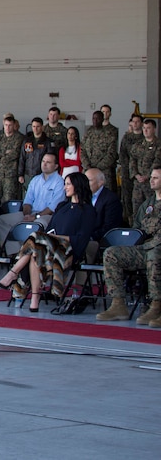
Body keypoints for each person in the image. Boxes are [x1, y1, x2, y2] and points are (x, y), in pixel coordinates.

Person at [0, 172, 98, 311]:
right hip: (48, 247)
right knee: (36, 251)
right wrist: (51, 238)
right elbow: (50, 229)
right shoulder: (62, 206)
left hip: (67, 250)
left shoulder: (88, 211)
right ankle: (34, 300)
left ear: (78, 186)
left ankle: (14, 273)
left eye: (68, 184)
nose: (64, 188)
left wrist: (56, 238)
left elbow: (81, 239)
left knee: (36, 240)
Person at [96, 167, 161, 326]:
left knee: (155, 254)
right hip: (146, 248)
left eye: (156, 178)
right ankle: (118, 305)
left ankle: (156, 305)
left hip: (157, 250)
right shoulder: (148, 204)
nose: (152, 180)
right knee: (112, 253)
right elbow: (137, 229)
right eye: (151, 176)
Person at [0, 152, 64, 252]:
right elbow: (27, 201)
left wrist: (35, 217)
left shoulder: (59, 182)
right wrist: (27, 215)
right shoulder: (35, 180)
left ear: (56, 166)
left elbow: (53, 207)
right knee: (1, 220)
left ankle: (30, 255)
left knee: (37, 224)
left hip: (47, 216)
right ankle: (14, 253)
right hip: (30, 213)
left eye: (48, 162)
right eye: (43, 161)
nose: (44, 164)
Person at [85, 168, 123, 260]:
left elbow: (109, 227)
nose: (85, 184)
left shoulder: (110, 199)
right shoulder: (84, 196)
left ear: (100, 182)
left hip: (100, 240)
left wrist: (89, 236)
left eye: (89, 180)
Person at [0, 113, 24, 207]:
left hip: (10, 174)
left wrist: (0, 154)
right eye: (6, 125)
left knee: (8, 199)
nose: (7, 127)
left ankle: (7, 219)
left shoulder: (19, 138)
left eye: (10, 125)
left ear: (14, 125)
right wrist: (5, 153)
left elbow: (15, 154)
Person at [82, 110, 118, 193]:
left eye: (97, 118)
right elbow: (82, 150)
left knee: (104, 194)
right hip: (88, 170)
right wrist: (87, 166)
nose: (95, 120)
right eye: (93, 118)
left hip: (103, 171)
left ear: (102, 119)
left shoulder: (109, 134)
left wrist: (98, 168)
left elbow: (111, 154)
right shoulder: (88, 133)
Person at [130, 118, 160, 214]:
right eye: (144, 128)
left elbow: (157, 161)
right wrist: (136, 174)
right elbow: (132, 160)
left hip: (151, 182)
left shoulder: (158, 145)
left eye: (148, 128)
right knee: (137, 209)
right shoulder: (138, 145)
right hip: (138, 183)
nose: (145, 130)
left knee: (152, 208)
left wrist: (148, 175)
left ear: (154, 129)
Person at [118, 114, 144, 224]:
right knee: (127, 197)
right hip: (127, 172)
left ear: (141, 123)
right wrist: (127, 168)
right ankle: (130, 220)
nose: (135, 124)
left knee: (141, 198)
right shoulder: (127, 137)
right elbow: (122, 154)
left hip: (142, 173)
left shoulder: (144, 137)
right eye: (133, 121)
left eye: (138, 121)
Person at [18, 117, 52, 188]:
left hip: (41, 175)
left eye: (38, 126)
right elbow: (22, 158)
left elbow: (50, 160)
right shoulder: (27, 141)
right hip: (28, 175)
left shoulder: (47, 142)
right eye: (33, 126)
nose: (35, 129)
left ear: (42, 127)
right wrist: (20, 174)